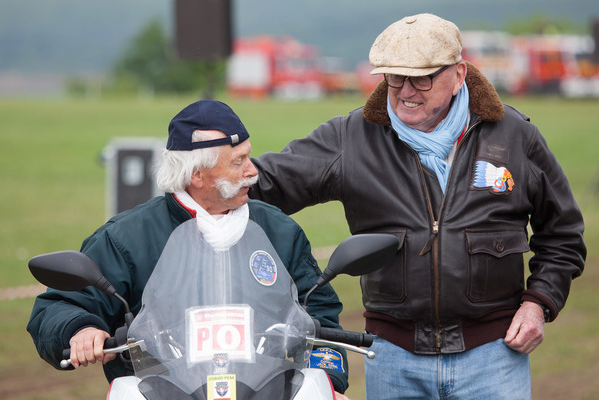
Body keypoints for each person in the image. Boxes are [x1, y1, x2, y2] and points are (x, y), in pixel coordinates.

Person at [249, 13, 586, 400]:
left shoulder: (515, 136)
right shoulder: (351, 138)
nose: (405, 91)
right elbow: (264, 183)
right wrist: (211, 169)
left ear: (459, 74)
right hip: (392, 356)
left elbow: (563, 235)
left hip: (494, 354)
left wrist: (537, 303)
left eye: (422, 77)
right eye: (394, 77)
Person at [27, 100, 351, 399]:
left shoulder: (280, 230)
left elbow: (319, 313)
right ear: (196, 175)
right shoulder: (126, 237)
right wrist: (80, 328)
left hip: (272, 391)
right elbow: (58, 305)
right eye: (238, 162)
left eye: (249, 156)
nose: (253, 170)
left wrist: (327, 381)